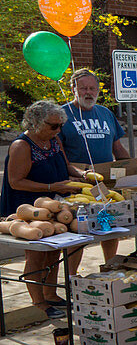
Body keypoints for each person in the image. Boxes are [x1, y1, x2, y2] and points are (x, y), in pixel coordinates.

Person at [0, 101, 87, 318]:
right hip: (27, 208)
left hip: (53, 204)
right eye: (53, 126)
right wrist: (50, 187)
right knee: (36, 254)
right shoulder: (22, 145)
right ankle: (38, 302)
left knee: (54, 250)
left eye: (60, 126)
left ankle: (51, 294)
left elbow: (66, 166)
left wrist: (82, 175)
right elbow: (15, 182)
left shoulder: (54, 140)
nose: (57, 130)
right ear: (35, 122)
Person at [59, 68, 128, 266]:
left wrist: (133, 167)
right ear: (73, 89)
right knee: (78, 231)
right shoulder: (62, 115)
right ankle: (72, 276)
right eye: (83, 88)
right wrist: (70, 175)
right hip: (77, 184)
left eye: (92, 88)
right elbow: (58, 152)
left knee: (110, 225)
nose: (88, 92)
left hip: (104, 183)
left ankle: (109, 266)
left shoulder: (105, 113)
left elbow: (118, 148)